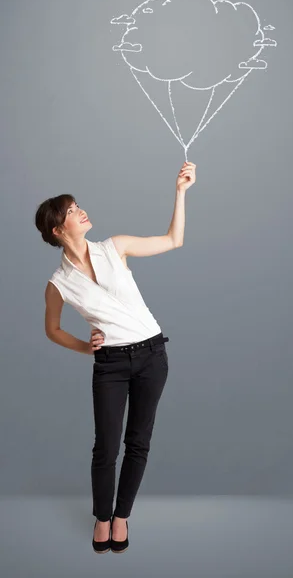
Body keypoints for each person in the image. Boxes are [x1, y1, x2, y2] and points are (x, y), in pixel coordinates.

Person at [35, 161, 196, 553]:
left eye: (77, 206)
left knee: (138, 442)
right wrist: (84, 346)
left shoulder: (115, 246)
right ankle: (102, 517)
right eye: (71, 211)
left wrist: (180, 191)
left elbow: (174, 240)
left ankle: (121, 516)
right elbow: (52, 330)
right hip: (109, 364)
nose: (80, 211)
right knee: (106, 447)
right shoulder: (58, 284)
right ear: (58, 230)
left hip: (151, 355)